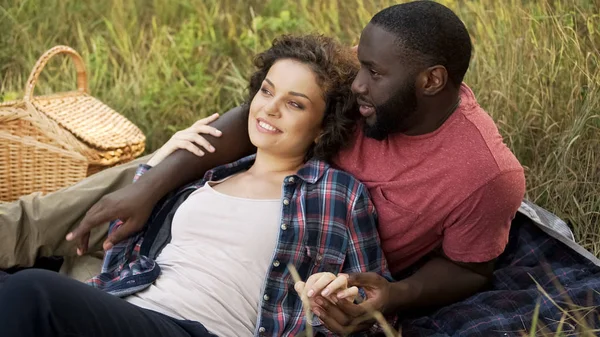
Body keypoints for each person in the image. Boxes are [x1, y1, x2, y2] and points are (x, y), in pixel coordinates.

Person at [0, 1, 526, 335]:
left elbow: (470, 268)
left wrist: (394, 295)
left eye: (371, 73)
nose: (357, 85)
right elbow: (262, 110)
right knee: (121, 191)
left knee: (35, 295)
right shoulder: (381, 78)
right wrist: (156, 179)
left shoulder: (481, 175)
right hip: (229, 183)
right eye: (359, 67)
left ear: (431, 81)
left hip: (276, 245)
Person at [0, 34, 391, 337]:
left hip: (199, 327)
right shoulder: (209, 175)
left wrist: (341, 295)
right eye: (267, 91)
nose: (269, 108)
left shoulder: (336, 192)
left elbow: (377, 301)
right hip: (129, 308)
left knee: (34, 293)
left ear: (323, 125)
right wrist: (159, 161)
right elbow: (122, 249)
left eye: (295, 103)